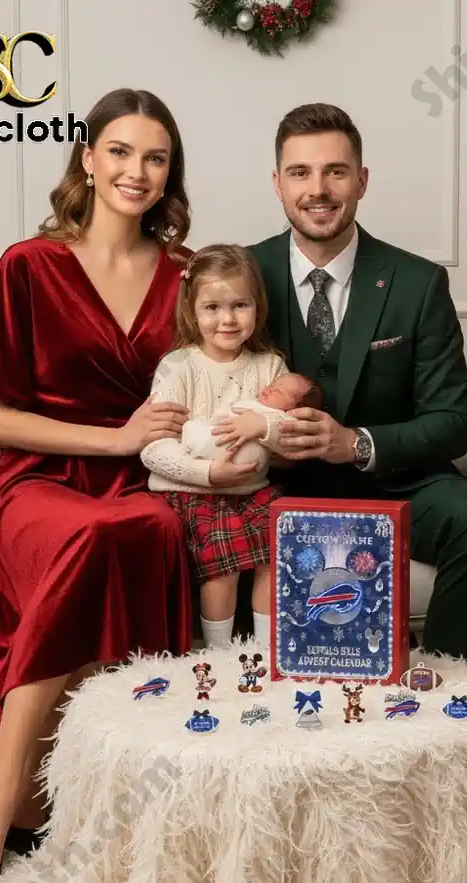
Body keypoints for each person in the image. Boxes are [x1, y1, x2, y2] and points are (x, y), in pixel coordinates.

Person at [0, 88, 202, 883]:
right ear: (86, 159)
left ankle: (53, 792)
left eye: (154, 157)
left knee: (153, 530)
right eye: (119, 152)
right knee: (89, 535)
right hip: (31, 480)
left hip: (141, 480)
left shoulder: (190, 276)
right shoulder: (31, 264)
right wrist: (115, 436)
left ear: (170, 174)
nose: (136, 171)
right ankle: (7, 782)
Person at [247, 103, 467, 666]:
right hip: (268, 487)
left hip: (389, 484)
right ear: (277, 183)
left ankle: (448, 694)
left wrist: (357, 444)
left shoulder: (417, 282)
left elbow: (453, 422)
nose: (317, 189)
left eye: (335, 171)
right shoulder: (241, 274)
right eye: (300, 173)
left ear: (362, 180)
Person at [140, 244, 319, 649]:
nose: (228, 319)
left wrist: (264, 426)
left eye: (240, 305)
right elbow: (152, 448)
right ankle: (220, 654)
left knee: (281, 551)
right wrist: (208, 473)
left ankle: (266, 650)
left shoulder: (269, 366)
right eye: (213, 308)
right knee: (223, 566)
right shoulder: (179, 367)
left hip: (253, 490)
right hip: (196, 493)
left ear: (257, 307)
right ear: (192, 310)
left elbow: (293, 438)